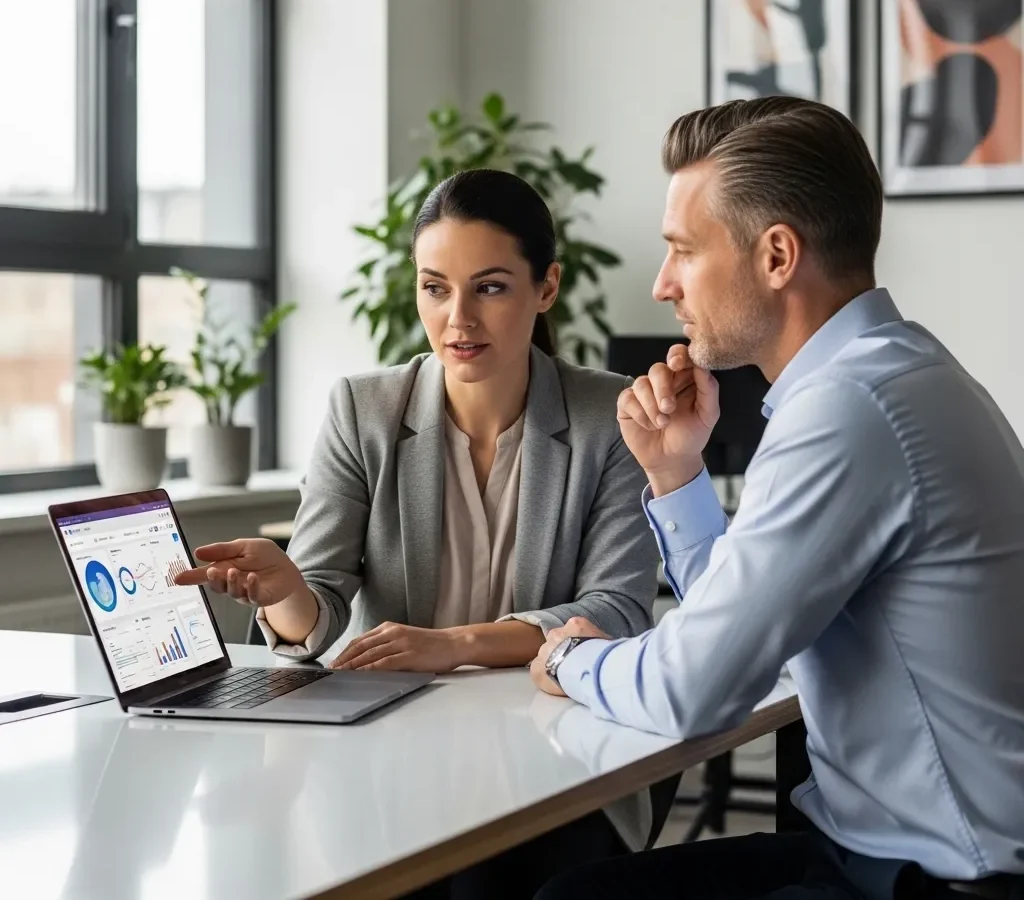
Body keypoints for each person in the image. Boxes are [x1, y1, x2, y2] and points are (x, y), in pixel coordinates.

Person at [531, 97, 1024, 900]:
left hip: (939, 880)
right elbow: (750, 637)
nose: (662, 285)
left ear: (777, 256)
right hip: (879, 851)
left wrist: (567, 658)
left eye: (683, 250)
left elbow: (693, 689)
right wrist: (675, 474)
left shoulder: (848, 410)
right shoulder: (895, 373)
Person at [176, 168, 664, 897]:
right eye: (435, 287)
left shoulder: (611, 417)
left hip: (558, 755)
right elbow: (319, 611)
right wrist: (288, 591)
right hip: (392, 755)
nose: (458, 318)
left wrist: (455, 644)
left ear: (547, 287)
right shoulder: (363, 411)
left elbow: (618, 611)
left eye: (490, 287)